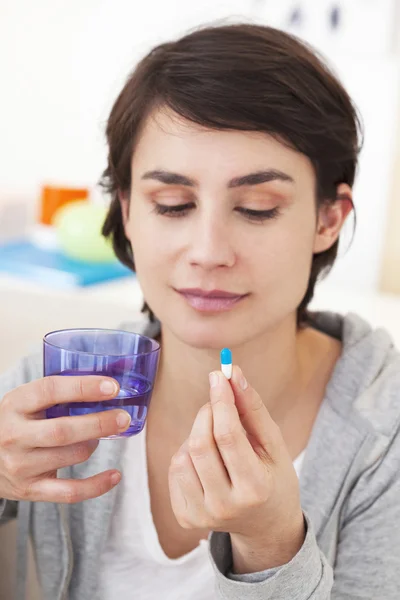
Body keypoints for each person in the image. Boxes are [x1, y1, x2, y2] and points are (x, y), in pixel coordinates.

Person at [1, 22, 400, 600]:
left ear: (327, 219)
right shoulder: (67, 387)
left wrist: (270, 549)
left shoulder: (384, 436)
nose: (209, 252)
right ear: (129, 211)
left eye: (258, 208)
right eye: (173, 204)